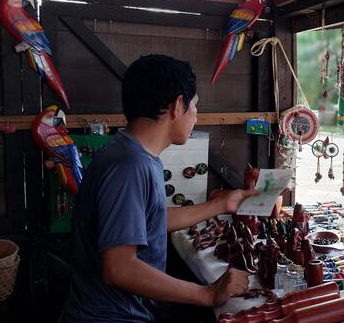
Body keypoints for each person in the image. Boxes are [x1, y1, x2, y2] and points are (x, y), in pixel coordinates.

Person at [61, 55, 257, 322]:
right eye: (194, 106)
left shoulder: (132, 152)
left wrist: (222, 204)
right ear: (177, 105)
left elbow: (149, 220)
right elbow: (119, 268)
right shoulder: (129, 166)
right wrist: (208, 294)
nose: (196, 117)